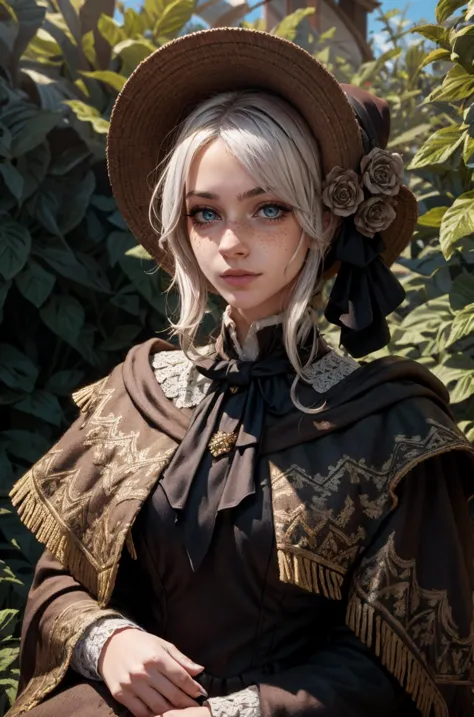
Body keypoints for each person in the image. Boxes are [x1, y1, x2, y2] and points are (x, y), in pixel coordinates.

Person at [6, 27, 474, 717]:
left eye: (268, 209)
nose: (230, 243)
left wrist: (239, 711)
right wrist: (107, 641)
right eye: (205, 213)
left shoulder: (394, 431)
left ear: (320, 219)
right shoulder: (134, 397)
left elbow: (411, 660)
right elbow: (57, 585)